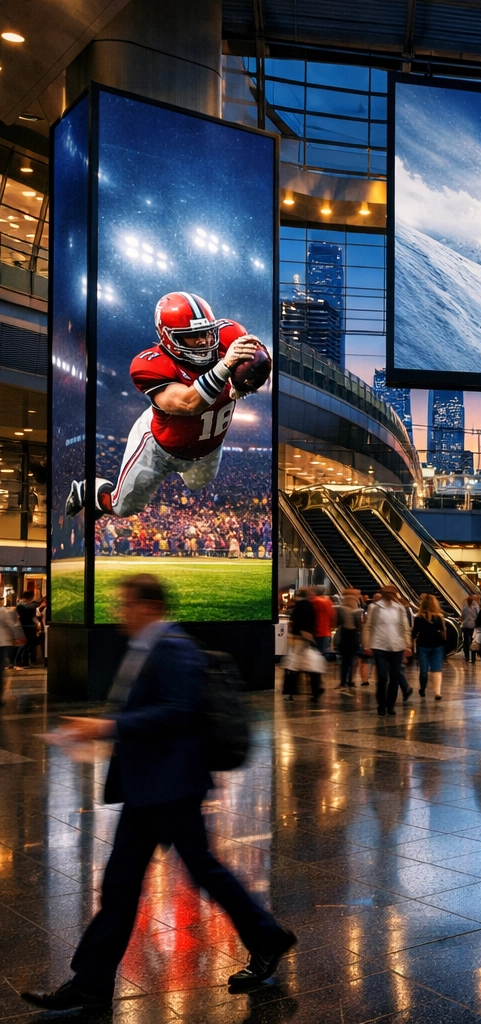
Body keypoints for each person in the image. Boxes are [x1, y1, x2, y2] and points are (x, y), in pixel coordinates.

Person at [22, 574, 294, 1012]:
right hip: (149, 787)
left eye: (125, 605)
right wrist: (99, 731)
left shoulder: (173, 648)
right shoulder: (150, 648)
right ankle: (90, 983)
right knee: (123, 885)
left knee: (196, 871)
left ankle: (268, 936)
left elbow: (177, 711)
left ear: (148, 606)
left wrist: (106, 727)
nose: (119, 613)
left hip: (171, 786)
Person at [63, 294, 269, 521]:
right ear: (169, 338)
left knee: (198, 484)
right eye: (192, 336)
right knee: (122, 507)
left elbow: (260, 362)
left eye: (206, 332)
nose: (203, 341)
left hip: (207, 450)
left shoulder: (229, 335)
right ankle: (88, 492)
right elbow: (188, 403)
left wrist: (246, 380)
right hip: (159, 447)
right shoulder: (149, 364)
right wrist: (225, 366)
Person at [364, 585, 411, 716]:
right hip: (380, 646)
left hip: (397, 646)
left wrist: (407, 645)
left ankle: (391, 706)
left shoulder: (399, 608)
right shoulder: (375, 607)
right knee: (383, 677)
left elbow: (405, 627)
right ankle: (381, 705)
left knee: (394, 677)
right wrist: (367, 645)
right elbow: (368, 627)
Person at [282, 587, 323, 702]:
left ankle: (290, 692)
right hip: (308, 637)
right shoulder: (310, 605)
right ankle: (316, 690)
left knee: (293, 666)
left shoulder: (300, 605)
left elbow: (294, 622)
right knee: (310, 666)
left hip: (300, 639)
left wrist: (293, 634)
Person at [412, 594, 449, 702]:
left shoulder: (418, 617)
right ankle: (437, 692)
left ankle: (423, 689)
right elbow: (443, 633)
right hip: (437, 645)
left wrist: (410, 644)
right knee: (437, 670)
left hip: (422, 645)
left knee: (423, 670)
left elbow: (414, 633)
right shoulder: (439, 617)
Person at [311, 587, 335, 667]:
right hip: (326, 632)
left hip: (316, 631)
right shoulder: (328, 601)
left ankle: (315, 673)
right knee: (322, 654)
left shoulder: (314, 601)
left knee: (315, 654)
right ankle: (319, 672)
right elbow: (332, 616)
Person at [15, 589, 39, 668]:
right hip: (30, 626)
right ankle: (24, 661)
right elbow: (34, 617)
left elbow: (18, 617)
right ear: (30, 597)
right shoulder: (32, 606)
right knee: (28, 644)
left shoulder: (19, 605)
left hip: (22, 626)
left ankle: (19, 660)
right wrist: (37, 624)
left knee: (23, 644)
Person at [460, 593, 481, 664]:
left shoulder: (465, 605)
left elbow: (462, 616)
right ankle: (473, 658)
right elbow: (478, 615)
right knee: (473, 641)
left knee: (466, 641)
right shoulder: (475, 605)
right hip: (473, 626)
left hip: (465, 625)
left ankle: (466, 657)